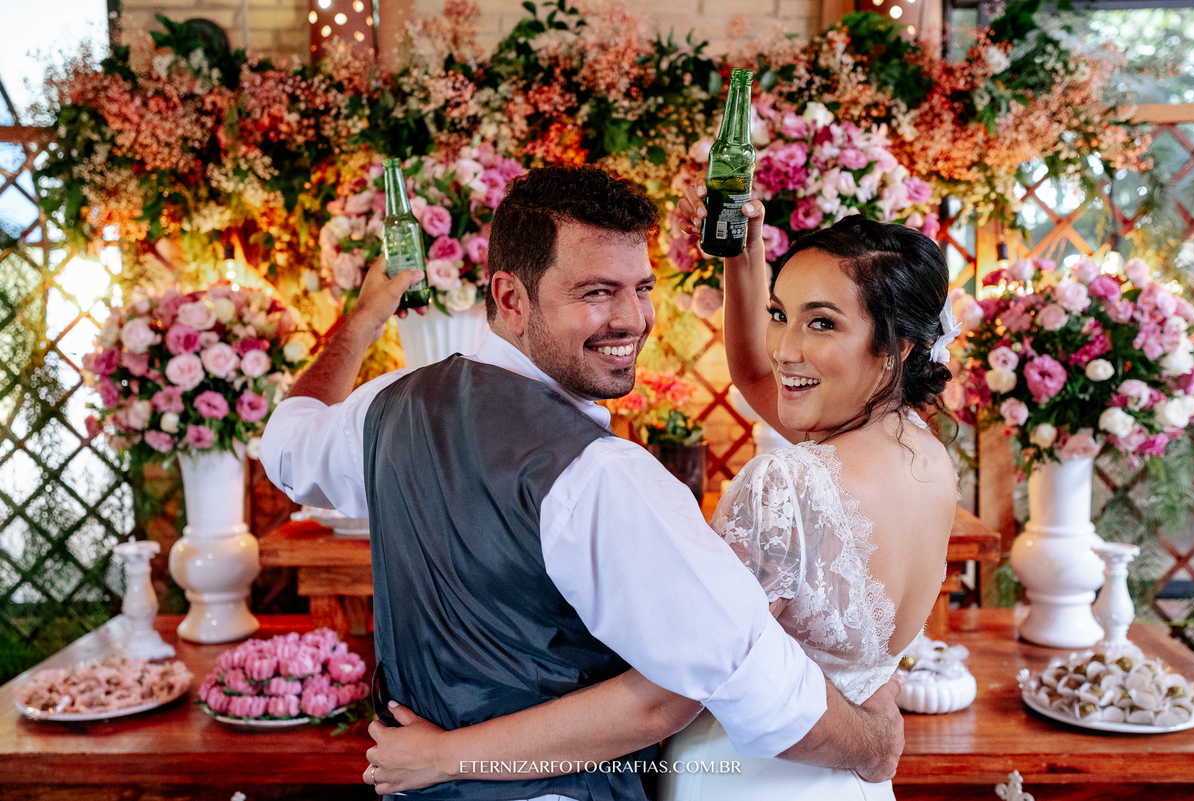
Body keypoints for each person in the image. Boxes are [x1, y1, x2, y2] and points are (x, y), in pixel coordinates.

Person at [260, 166, 904, 801]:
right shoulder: (602, 477)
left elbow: (287, 442)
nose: (632, 319)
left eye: (642, 287)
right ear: (512, 300)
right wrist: (875, 746)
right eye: (596, 293)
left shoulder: (384, 410)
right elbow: (724, 688)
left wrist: (368, 315)